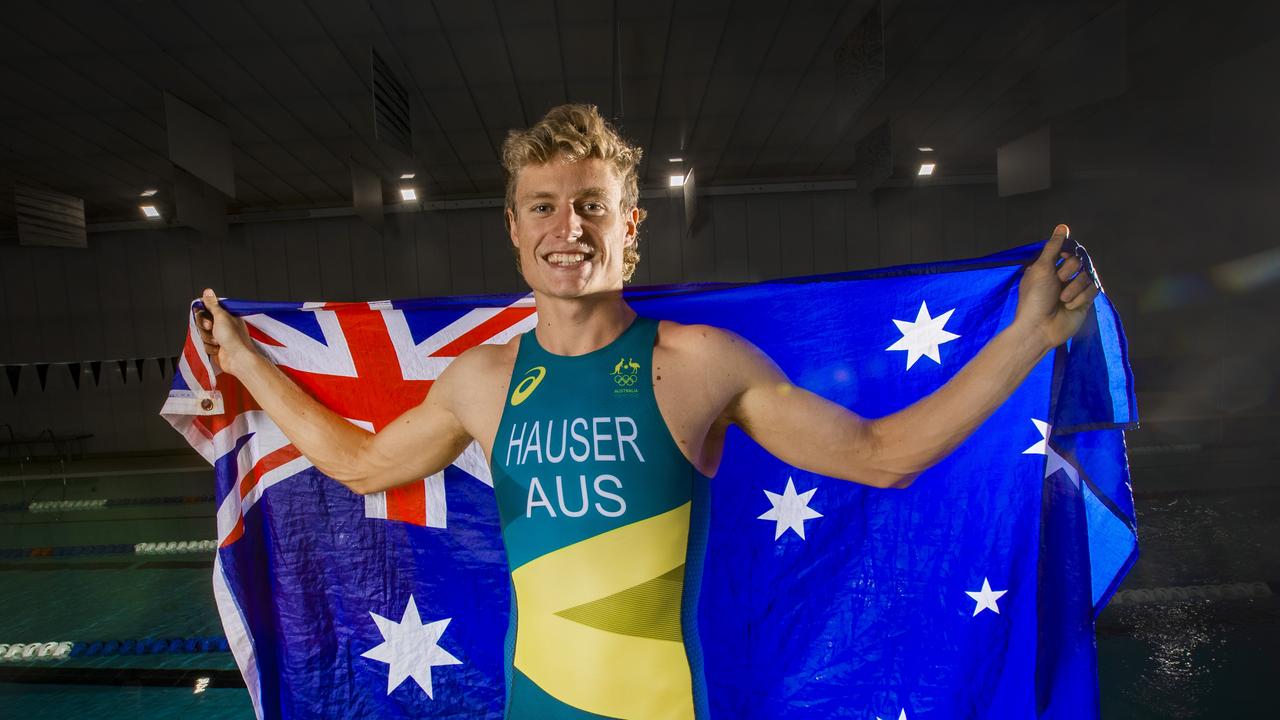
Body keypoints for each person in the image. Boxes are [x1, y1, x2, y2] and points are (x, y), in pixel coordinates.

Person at [196, 104, 1099, 719]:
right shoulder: (481, 381)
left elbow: (881, 454)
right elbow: (359, 463)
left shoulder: (698, 364)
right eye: (543, 206)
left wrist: (1026, 336)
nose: (568, 227)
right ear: (514, 229)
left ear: (630, 227)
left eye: (593, 206)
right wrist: (242, 361)